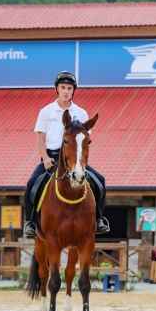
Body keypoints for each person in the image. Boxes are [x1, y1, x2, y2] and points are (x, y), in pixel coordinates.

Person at [23, 71, 110, 237]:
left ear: (73, 90)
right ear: (57, 89)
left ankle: (99, 219)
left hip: (73, 159)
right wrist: (46, 158)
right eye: (63, 87)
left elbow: (83, 143)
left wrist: (81, 162)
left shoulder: (81, 113)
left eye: (69, 88)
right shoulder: (46, 111)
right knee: (32, 183)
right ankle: (31, 222)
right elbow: (40, 139)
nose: (66, 91)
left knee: (100, 180)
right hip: (52, 158)